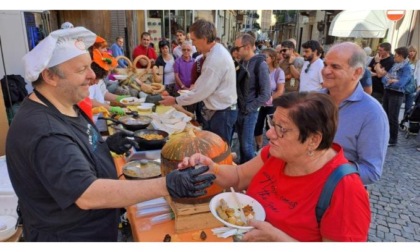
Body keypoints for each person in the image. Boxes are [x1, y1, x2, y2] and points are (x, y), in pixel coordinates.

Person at [5, 27, 215, 242]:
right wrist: (166, 185)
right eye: (81, 70)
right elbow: (87, 194)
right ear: (50, 76)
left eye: (90, 66)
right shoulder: (44, 131)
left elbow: (77, 146)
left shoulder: (66, 104)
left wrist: (104, 146)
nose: (92, 75)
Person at [178, 92, 371, 242]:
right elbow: (238, 177)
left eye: (282, 129)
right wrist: (210, 168)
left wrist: (277, 239)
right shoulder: (277, 153)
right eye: (273, 123)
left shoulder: (345, 190)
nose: (269, 134)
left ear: (313, 140)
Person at [160, 19, 238, 146]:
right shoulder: (214, 52)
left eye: (194, 40)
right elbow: (203, 85)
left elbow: (201, 92)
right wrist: (192, 90)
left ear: (205, 38)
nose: (193, 45)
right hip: (219, 111)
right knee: (212, 149)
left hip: (222, 113)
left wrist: (175, 100)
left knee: (218, 151)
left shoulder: (215, 59)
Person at [322, 42, 389, 185]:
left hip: (336, 194)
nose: (325, 71)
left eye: (335, 66)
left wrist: (324, 169)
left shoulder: (372, 113)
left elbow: (371, 171)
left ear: (357, 72)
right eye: (325, 64)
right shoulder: (313, 99)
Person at [235, 33, 271, 164]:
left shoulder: (260, 65)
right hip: (239, 109)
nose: (236, 51)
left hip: (250, 111)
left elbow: (266, 94)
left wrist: (249, 108)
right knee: (241, 145)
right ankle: (242, 171)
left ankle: (251, 175)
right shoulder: (242, 62)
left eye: (238, 48)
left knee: (247, 146)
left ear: (247, 46)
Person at [254, 48, 285, 152]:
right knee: (257, 126)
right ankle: (259, 147)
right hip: (259, 104)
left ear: (272, 58)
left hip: (272, 104)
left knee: (271, 128)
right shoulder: (260, 70)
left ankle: (271, 148)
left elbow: (280, 91)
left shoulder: (278, 72)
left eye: (265, 57)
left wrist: (268, 99)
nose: (263, 59)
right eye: (261, 56)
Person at [380, 47, 412, 147]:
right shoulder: (395, 65)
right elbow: (384, 79)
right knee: (385, 115)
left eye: (396, 55)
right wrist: (391, 81)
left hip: (397, 94)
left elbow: (401, 84)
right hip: (388, 92)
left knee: (392, 117)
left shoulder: (407, 68)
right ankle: (385, 136)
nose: (394, 57)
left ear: (402, 56)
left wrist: (390, 81)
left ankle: (393, 139)